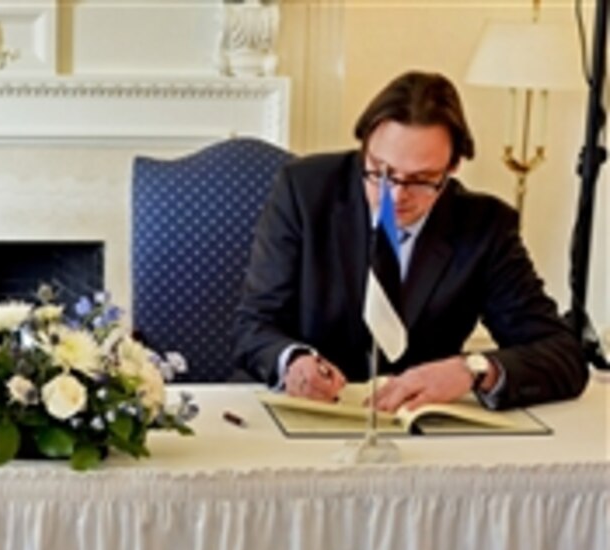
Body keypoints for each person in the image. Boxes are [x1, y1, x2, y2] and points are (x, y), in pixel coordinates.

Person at [233, 70, 588, 411]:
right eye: (381, 172)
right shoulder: (305, 192)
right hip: (305, 414)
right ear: (364, 148)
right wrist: (292, 361)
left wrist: (473, 370)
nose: (395, 195)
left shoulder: (484, 227)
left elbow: (564, 355)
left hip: (419, 431)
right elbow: (254, 326)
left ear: (452, 169)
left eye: (421, 179)